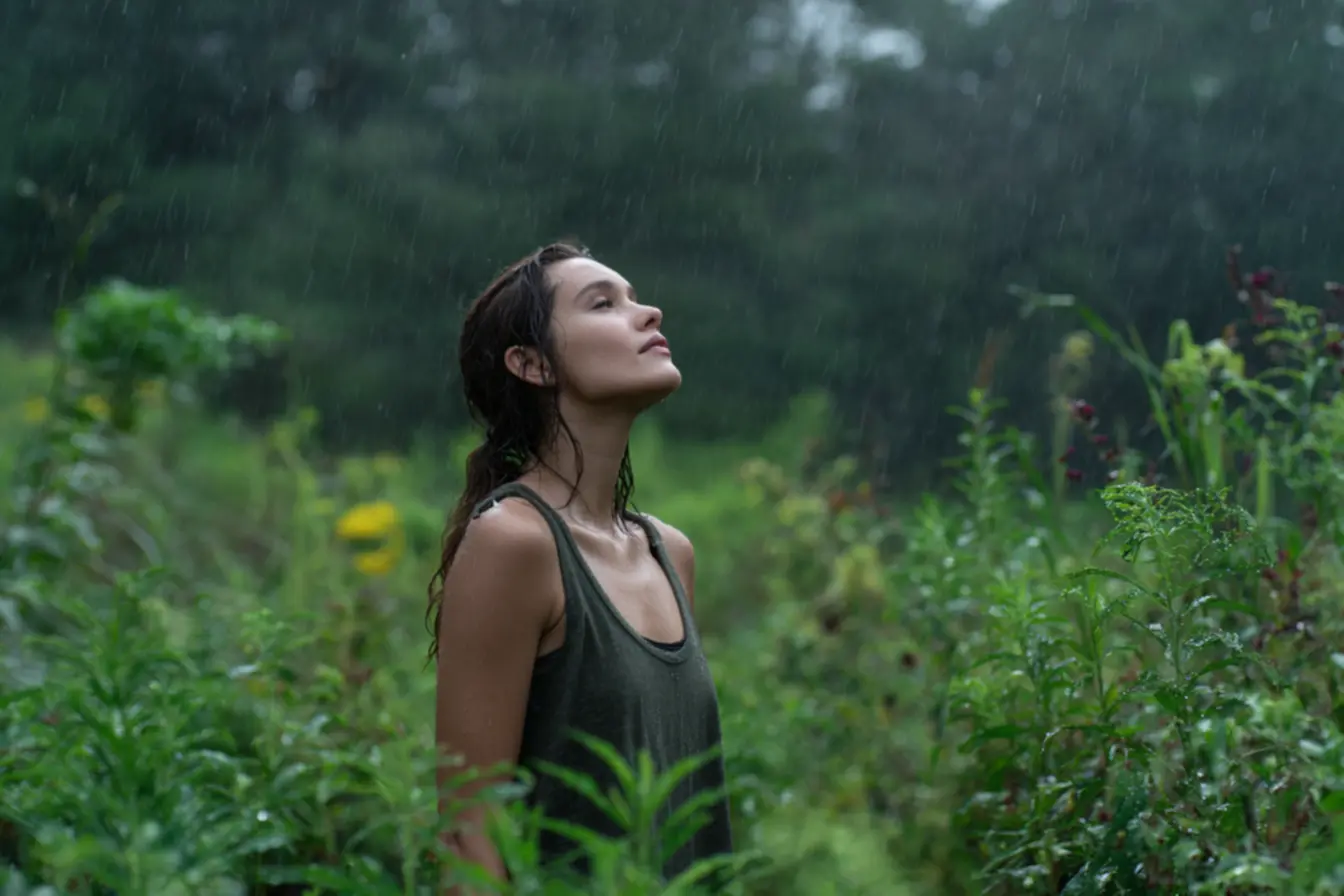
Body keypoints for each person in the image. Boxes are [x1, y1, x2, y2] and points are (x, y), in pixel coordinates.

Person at [428, 242, 734, 891]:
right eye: (604, 304)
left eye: (635, 298)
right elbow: (468, 829)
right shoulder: (513, 542)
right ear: (531, 364)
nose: (649, 313)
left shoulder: (669, 553)